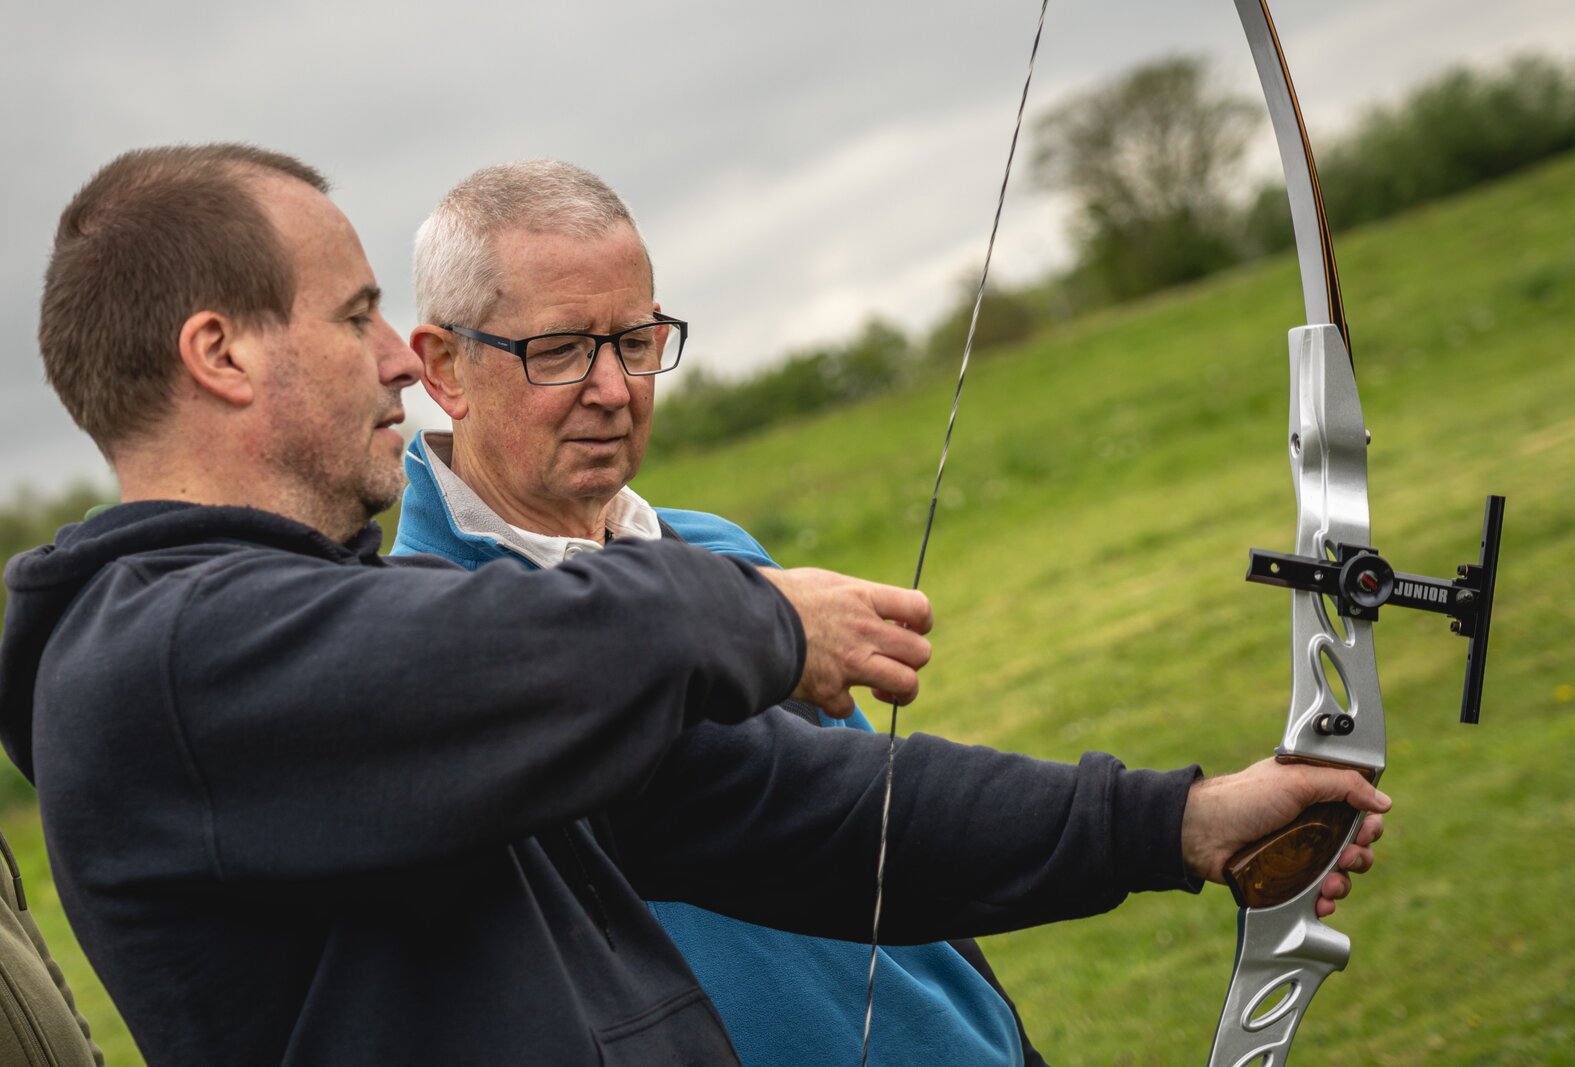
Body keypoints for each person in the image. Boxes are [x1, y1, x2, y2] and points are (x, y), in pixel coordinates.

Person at [0, 144, 1388, 1067]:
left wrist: (1175, 820)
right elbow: (524, 638)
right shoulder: (157, 661)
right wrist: (759, 617)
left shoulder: (334, 657)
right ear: (221, 352)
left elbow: (792, 812)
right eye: (355, 312)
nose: (399, 362)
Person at [396, 159, 1050, 1067]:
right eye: (561, 350)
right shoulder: (418, 642)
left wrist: (1000, 1030)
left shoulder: (718, 547)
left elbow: (875, 826)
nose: (615, 389)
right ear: (444, 368)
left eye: (635, 340)